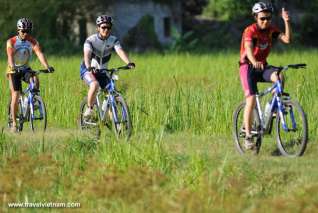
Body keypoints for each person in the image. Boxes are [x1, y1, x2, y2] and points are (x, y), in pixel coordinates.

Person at [239, 2, 291, 149]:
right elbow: (248, 49)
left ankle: (272, 107)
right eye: (262, 18)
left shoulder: (270, 30)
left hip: (262, 66)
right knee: (251, 101)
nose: (265, 21)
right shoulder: (250, 30)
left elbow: (287, 39)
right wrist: (254, 61)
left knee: (279, 77)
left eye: (268, 18)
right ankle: (248, 136)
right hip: (248, 67)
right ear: (256, 17)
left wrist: (286, 22)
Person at [80, 15, 135, 118]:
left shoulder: (113, 40)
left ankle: (114, 123)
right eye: (103, 27)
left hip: (102, 71)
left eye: (108, 27)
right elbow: (87, 55)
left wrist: (128, 62)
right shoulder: (91, 40)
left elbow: (119, 51)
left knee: (111, 93)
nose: (106, 29)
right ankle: (89, 109)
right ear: (98, 28)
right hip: (88, 69)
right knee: (95, 85)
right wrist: (88, 66)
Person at [6, 18, 54, 132]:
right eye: (23, 31)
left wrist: (47, 66)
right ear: (18, 30)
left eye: (28, 31)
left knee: (35, 79)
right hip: (13, 70)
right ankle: (13, 123)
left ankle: (34, 100)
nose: (25, 34)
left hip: (25, 68)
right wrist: (13, 66)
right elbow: (10, 56)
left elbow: (39, 53)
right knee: (16, 95)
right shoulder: (11, 41)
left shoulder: (32, 41)